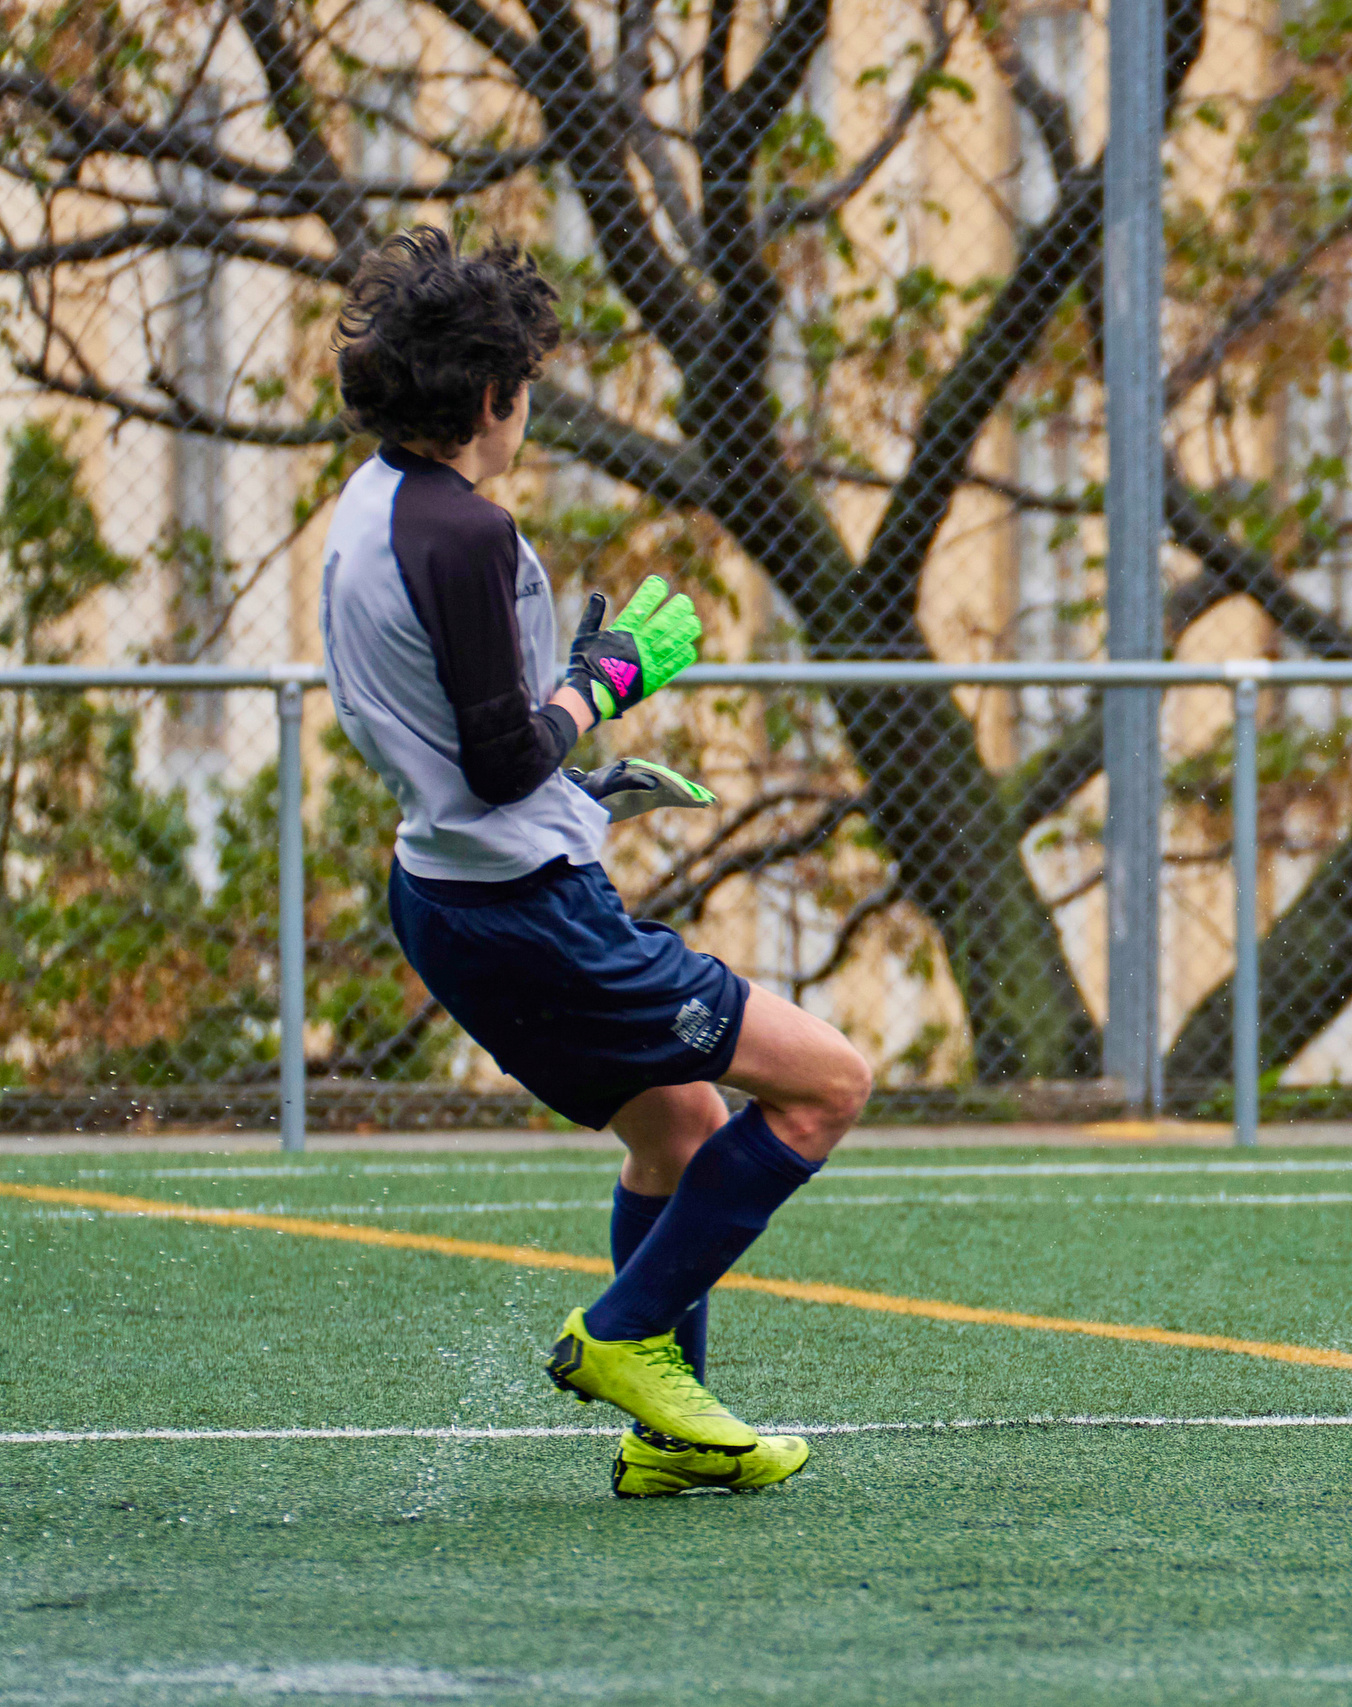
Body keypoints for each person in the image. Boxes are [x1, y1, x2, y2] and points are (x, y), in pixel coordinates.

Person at [319, 228, 873, 1497]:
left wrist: (563, 775)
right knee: (828, 1085)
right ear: (489, 396)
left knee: (679, 1130)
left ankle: (666, 1436)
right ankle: (622, 1339)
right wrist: (603, 684)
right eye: (524, 386)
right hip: (525, 913)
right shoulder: (464, 533)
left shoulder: (370, 507)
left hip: (451, 890)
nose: (528, 410)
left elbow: (461, 745)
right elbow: (507, 754)